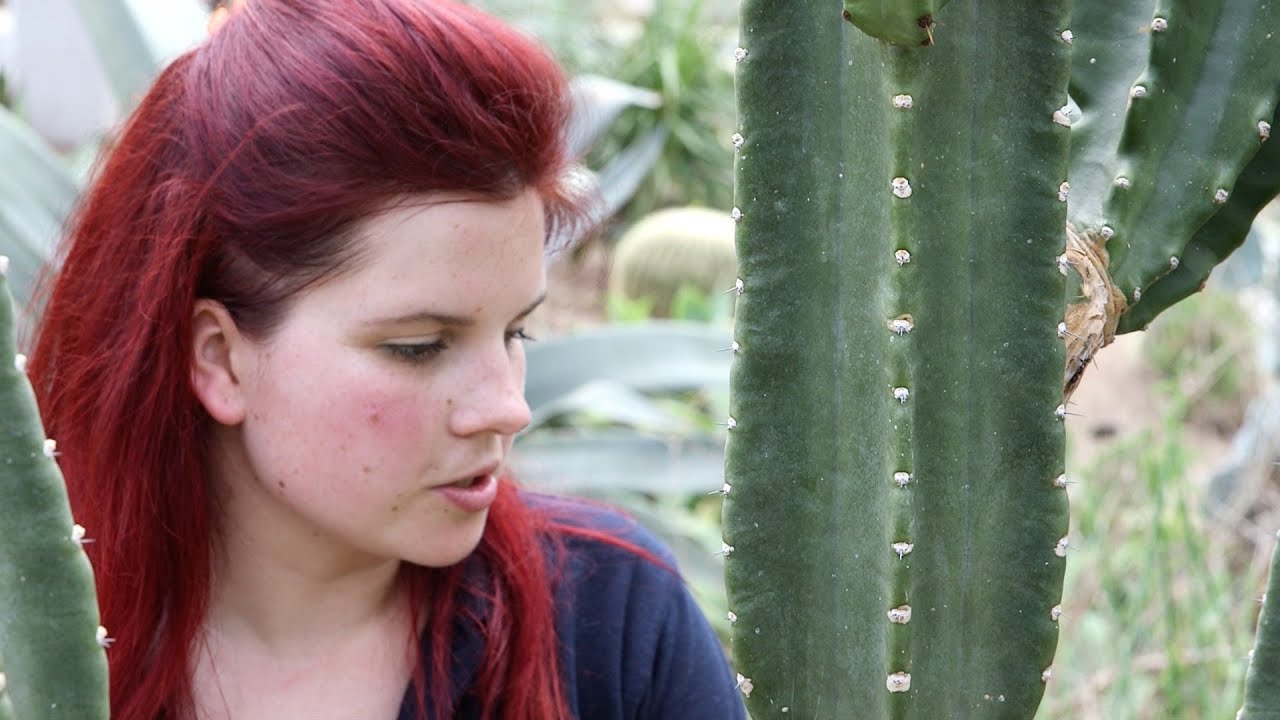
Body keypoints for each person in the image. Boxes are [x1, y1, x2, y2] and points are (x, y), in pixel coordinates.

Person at [25, 1, 747, 718]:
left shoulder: (610, 628)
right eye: (420, 347)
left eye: (515, 334)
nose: (509, 406)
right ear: (218, 358)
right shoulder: (31, 657)